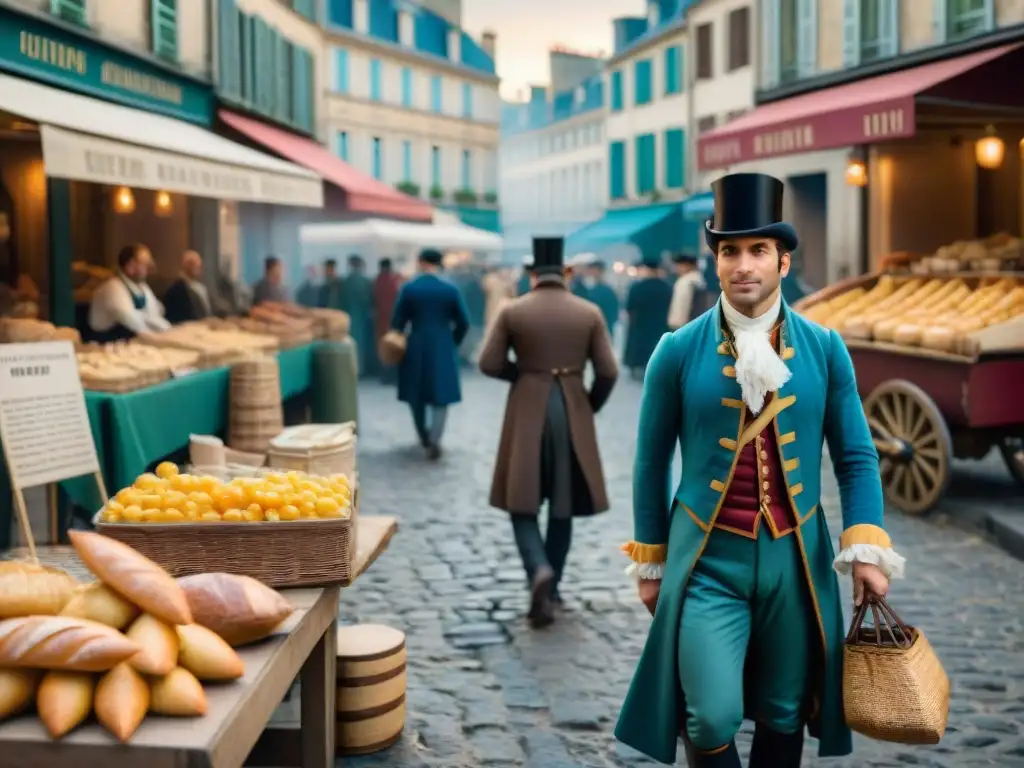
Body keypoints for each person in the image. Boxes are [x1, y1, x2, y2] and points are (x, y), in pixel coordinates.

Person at [615, 173, 904, 768]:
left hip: (795, 564)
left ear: (782, 260)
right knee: (711, 713)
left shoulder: (825, 347)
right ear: (715, 259)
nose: (742, 264)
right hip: (707, 564)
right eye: (729, 250)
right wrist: (651, 560)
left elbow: (855, 458)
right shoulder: (676, 349)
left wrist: (867, 549)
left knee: (784, 709)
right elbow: (649, 465)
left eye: (757, 250)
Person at [478, 237, 618, 628]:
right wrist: (588, 403)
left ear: (532, 275)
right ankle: (552, 587)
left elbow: (488, 363)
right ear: (567, 273)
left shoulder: (513, 311)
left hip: (527, 407)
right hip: (571, 407)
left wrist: (522, 376)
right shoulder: (588, 312)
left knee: (521, 502)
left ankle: (537, 568)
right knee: (563, 503)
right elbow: (608, 371)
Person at [391, 248, 470, 459]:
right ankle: (436, 438)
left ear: (420, 262)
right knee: (441, 395)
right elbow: (464, 322)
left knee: (416, 395)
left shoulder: (409, 288)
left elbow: (397, 322)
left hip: (415, 344)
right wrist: (453, 341)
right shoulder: (450, 289)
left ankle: (423, 436)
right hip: (443, 344)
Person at [88, 244, 170, 341]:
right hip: (105, 343)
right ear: (130, 266)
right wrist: (157, 338)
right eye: (145, 263)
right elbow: (131, 320)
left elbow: (155, 313)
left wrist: (168, 330)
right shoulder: (113, 288)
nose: (149, 267)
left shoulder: (143, 287)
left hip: (131, 339)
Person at [622, 258, 672, 379]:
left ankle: (637, 367)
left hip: (640, 324)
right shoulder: (667, 287)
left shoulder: (637, 287)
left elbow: (629, 307)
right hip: (660, 323)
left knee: (640, 346)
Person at [337, 255, 376, 378]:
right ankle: (362, 370)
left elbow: (340, 301)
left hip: (348, 317)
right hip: (363, 317)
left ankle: (351, 369)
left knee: (349, 343)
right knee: (362, 345)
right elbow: (371, 300)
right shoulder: (366, 281)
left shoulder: (345, 282)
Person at [162, 250, 213, 324]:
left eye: (199, 263)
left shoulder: (201, 287)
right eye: (194, 263)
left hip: (208, 325)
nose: (199, 266)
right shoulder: (176, 290)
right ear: (185, 265)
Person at [373, 258, 403, 383]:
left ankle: (385, 375)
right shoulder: (396, 280)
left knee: (383, 348)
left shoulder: (377, 281)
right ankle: (395, 375)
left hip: (380, 320)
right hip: (395, 319)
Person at [667, 251, 705, 330]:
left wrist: (676, 326)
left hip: (684, 327)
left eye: (680, 265)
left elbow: (681, 307)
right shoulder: (700, 280)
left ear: (690, 266)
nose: (677, 268)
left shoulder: (685, 282)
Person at [583, 260, 619, 338]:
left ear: (600, 271)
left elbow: (613, 312)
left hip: (603, 328)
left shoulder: (606, 291)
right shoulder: (590, 289)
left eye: (592, 270)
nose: (590, 273)